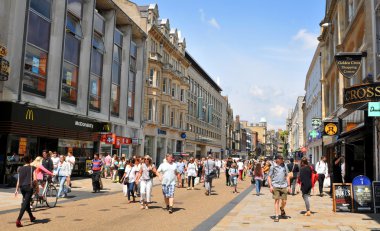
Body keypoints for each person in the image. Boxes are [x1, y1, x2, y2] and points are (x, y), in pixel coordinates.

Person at [15, 155, 36, 227]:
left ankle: (31, 217)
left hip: (22, 187)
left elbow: (18, 179)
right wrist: (36, 187)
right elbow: (35, 179)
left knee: (26, 202)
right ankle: (18, 219)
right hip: (29, 187)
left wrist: (16, 189)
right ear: (30, 160)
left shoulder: (20, 168)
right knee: (25, 203)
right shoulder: (32, 168)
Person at [267, 155, 290, 222]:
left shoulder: (285, 166)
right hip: (275, 185)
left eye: (282, 159)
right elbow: (269, 177)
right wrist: (270, 186)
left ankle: (282, 208)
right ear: (277, 160)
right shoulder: (273, 167)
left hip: (283, 185)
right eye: (281, 159)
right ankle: (277, 216)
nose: (282, 160)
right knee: (276, 200)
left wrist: (289, 186)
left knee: (284, 201)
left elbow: (287, 176)